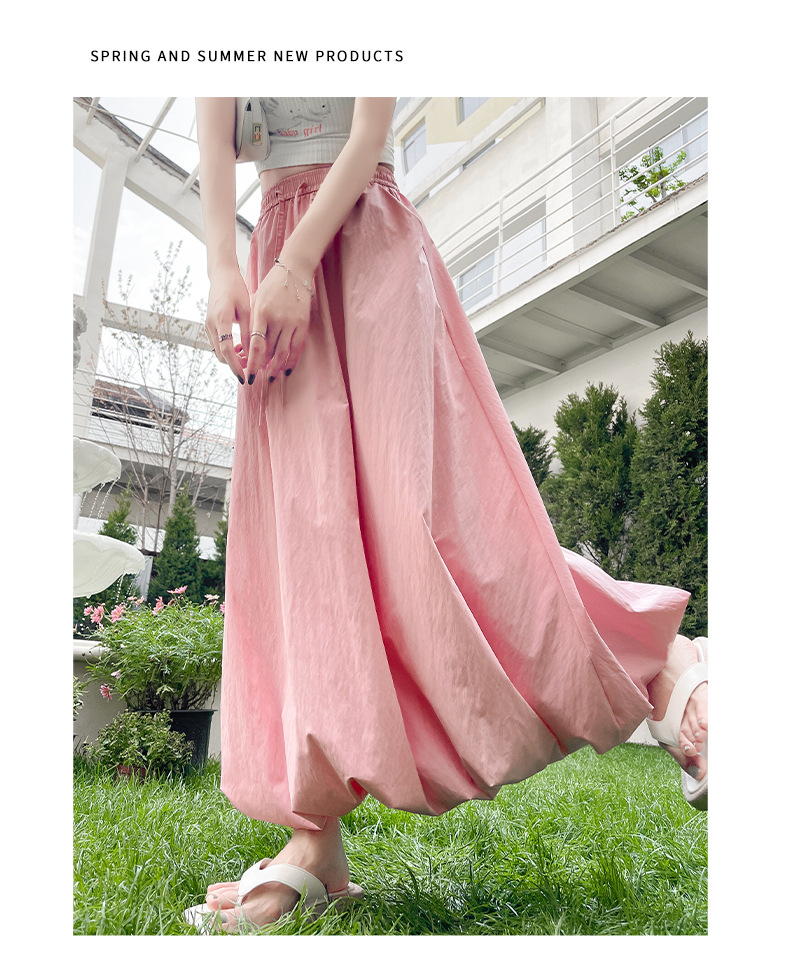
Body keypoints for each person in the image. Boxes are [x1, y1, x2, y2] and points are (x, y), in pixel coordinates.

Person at [185, 97, 708, 933]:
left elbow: (368, 131)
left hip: (363, 244)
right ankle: (314, 838)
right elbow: (214, 134)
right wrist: (225, 268)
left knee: (425, 529)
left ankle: (655, 657)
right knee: (304, 540)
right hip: (272, 254)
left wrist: (295, 265)